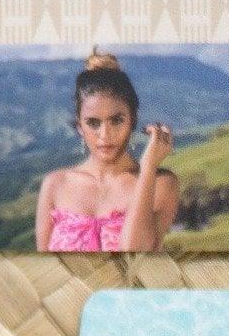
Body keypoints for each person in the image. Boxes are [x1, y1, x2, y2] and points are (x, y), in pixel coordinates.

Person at [35, 50, 178, 252]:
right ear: (79, 127)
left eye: (116, 120)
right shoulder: (54, 185)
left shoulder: (161, 184)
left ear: (133, 121)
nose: (105, 134)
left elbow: (133, 256)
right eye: (93, 123)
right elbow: (45, 266)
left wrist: (148, 167)